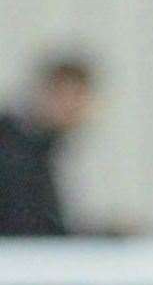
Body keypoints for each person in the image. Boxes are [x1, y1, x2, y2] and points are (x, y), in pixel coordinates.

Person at [1, 54, 97, 237]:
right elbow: (29, 226)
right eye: (66, 95)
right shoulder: (12, 150)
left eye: (79, 97)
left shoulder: (39, 148)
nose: (72, 107)